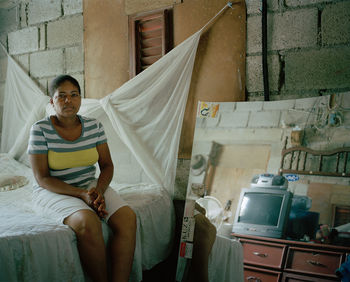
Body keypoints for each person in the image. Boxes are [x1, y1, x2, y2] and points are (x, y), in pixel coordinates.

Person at [27, 75, 136, 282]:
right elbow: (42, 178)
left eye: (74, 95)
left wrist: (99, 193)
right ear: (52, 101)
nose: (69, 101)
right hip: (53, 189)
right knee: (87, 222)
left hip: (89, 185)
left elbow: (107, 166)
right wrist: (82, 195)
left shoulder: (94, 126)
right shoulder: (40, 130)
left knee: (128, 218)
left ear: (80, 99)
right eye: (62, 96)